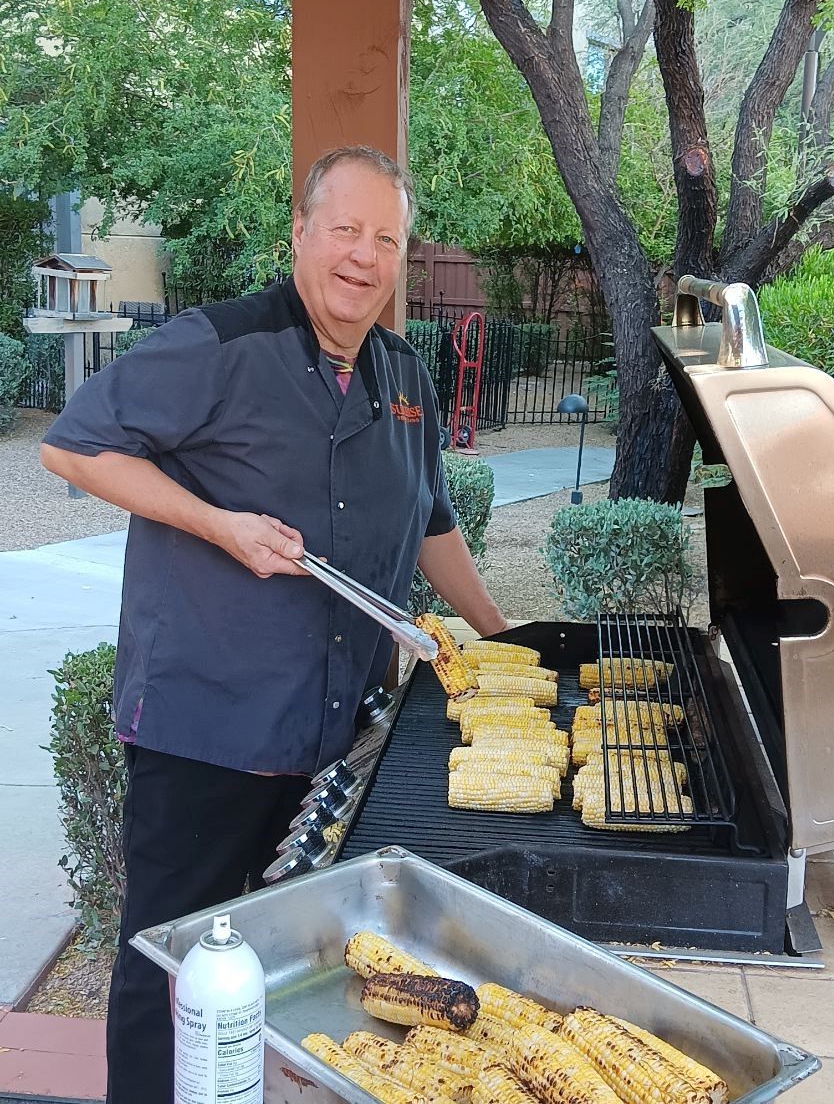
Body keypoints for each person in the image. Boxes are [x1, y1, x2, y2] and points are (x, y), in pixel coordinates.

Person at [40, 144, 507, 1103]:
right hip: (207, 735)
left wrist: (501, 642)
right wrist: (219, 524)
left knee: (297, 979)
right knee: (172, 968)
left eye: (386, 239)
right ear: (300, 233)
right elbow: (74, 446)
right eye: (345, 229)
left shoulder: (403, 374)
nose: (363, 255)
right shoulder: (217, 344)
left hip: (333, 736)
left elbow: (431, 521)